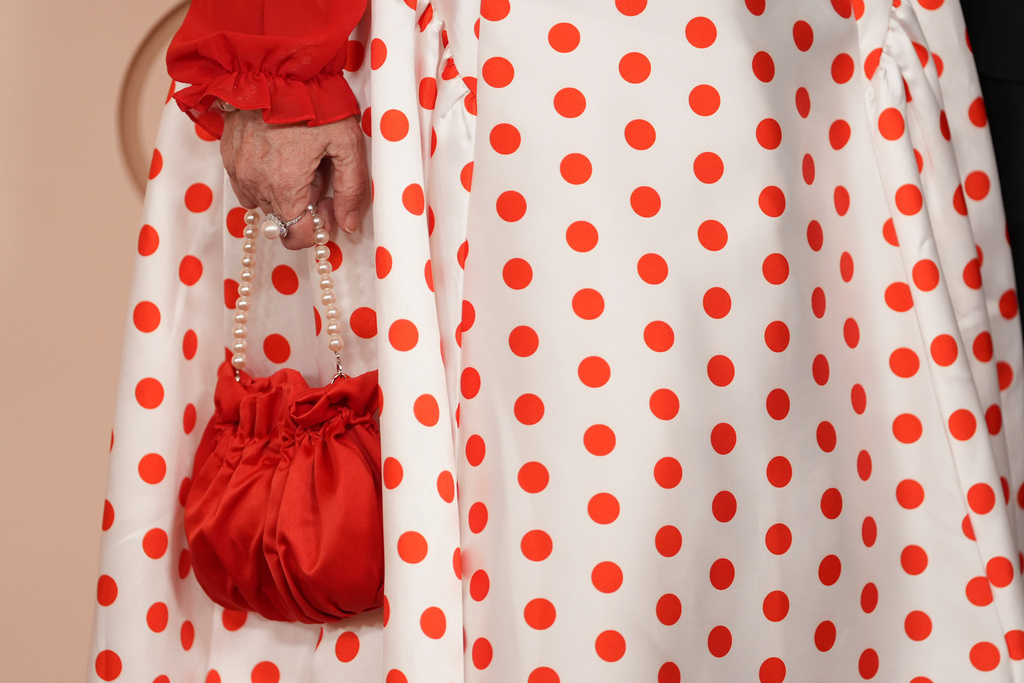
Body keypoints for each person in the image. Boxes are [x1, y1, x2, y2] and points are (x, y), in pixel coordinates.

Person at [90, 1, 1024, 681]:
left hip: (789, 68)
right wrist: (279, 47)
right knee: (600, 525)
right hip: (530, 71)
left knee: (776, 523)